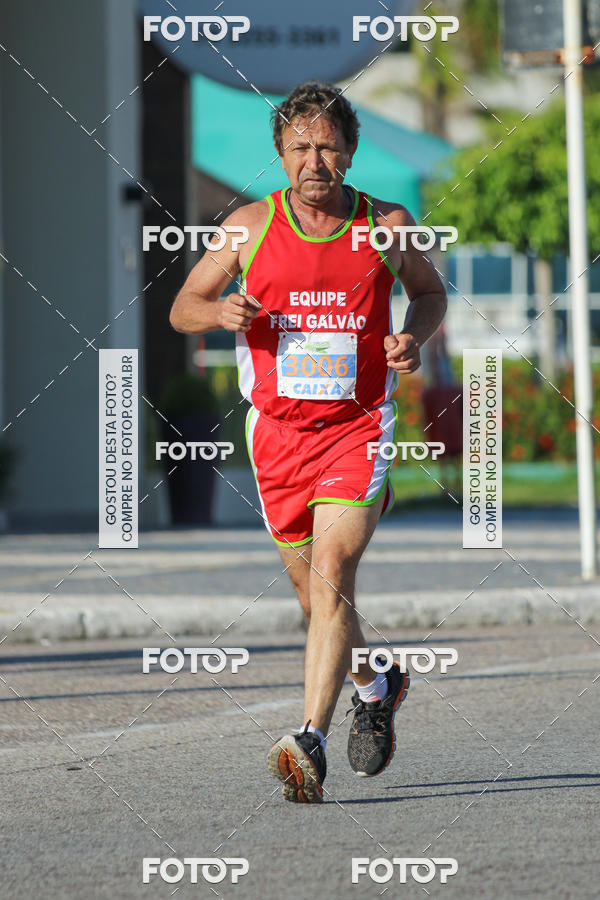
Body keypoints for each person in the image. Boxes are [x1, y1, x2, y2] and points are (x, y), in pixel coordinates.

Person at [170, 82, 447, 804]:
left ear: (350, 153)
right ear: (279, 154)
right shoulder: (246, 228)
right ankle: (374, 685)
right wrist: (219, 309)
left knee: (331, 571)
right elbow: (181, 308)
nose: (315, 161)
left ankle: (310, 739)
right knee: (313, 594)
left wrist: (411, 338)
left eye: (328, 147)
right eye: (301, 147)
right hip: (278, 435)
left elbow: (431, 291)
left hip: (357, 428)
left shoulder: (385, 225)